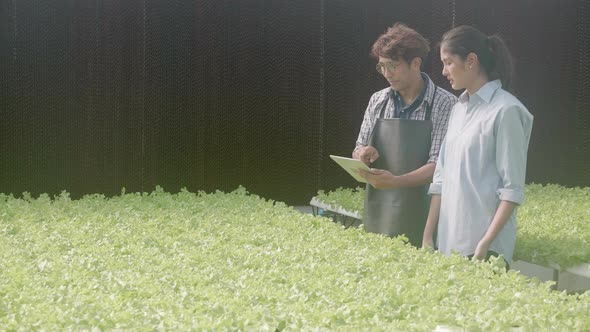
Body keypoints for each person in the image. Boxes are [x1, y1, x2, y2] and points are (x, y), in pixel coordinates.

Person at [422, 25, 534, 268]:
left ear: (471, 60)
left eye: (448, 62)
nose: (444, 71)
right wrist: (428, 235)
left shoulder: (507, 111)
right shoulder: (457, 109)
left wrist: (484, 245)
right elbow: (440, 179)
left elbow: (512, 189)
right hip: (448, 244)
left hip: (485, 253)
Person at [354, 23, 457, 246]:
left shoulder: (445, 104)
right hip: (379, 213)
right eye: (382, 67)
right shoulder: (378, 100)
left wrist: (396, 181)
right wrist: (363, 153)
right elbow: (357, 147)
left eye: (393, 66)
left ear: (416, 63)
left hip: (426, 216)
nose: (386, 74)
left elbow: (439, 166)